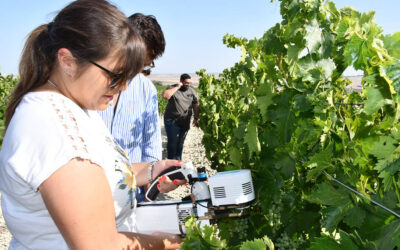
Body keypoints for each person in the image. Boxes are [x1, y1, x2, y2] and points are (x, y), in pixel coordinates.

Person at [0, 0, 184, 249]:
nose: (123, 87)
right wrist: (171, 244)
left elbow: (103, 175)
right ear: (67, 61)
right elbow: (100, 246)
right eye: (115, 76)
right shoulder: (51, 128)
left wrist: (152, 169)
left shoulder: (77, 107)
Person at [98, 13, 165, 202]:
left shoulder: (146, 89)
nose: (134, 71)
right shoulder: (90, 85)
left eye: (143, 64)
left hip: (130, 199)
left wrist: (153, 186)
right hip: (88, 197)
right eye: (134, 61)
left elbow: (151, 147)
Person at [162, 73, 199, 160]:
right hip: (171, 121)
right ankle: (170, 163)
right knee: (172, 143)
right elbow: (165, 96)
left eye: (189, 83)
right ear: (181, 81)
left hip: (185, 121)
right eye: (186, 82)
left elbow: (196, 105)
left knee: (180, 143)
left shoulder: (192, 92)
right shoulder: (173, 88)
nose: (188, 84)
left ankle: (178, 162)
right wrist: (177, 87)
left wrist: (196, 118)